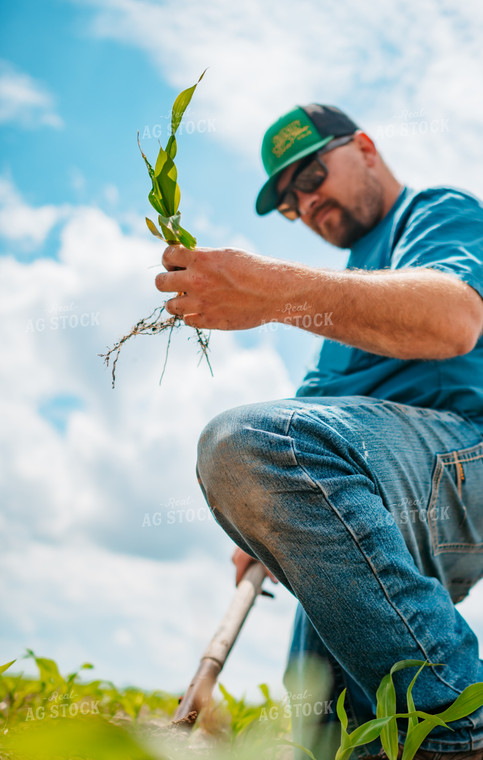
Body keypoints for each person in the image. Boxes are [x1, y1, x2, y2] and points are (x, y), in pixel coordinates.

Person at [154, 104, 483, 759]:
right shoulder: (342, 310)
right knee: (330, 727)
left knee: (247, 443)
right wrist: (268, 522)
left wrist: (274, 292)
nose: (305, 203)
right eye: (288, 202)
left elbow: (453, 320)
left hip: (459, 464)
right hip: (378, 499)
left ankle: (459, 731)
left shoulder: (432, 213)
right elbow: (310, 421)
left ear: (363, 147)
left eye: (310, 175)